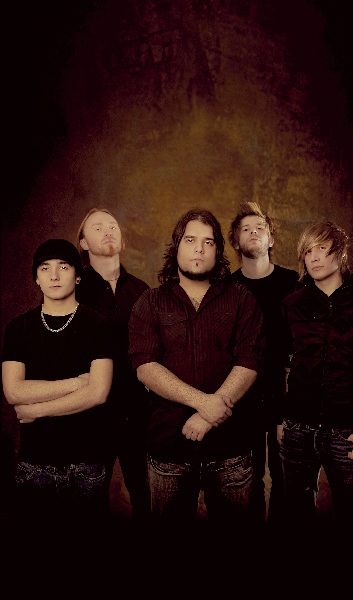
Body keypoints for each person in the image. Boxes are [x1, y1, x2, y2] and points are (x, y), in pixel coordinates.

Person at [128, 208, 266, 562]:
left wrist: (208, 414)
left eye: (209, 242)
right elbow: (145, 367)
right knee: (168, 552)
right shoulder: (149, 303)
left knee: (238, 551)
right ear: (176, 246)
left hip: (231, 450)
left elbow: (250, 360)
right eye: (191, 240)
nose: (199, 249)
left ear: (218, 250)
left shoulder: (241, 299)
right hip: (169, 452)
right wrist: (204, 403)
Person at [278, 219, 353, 551]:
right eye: (307, 251)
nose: (314, 257)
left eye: (322, 248)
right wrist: (280, 419)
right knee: (296, 525)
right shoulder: (291, 305)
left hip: (348, 434)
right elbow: (278, 365)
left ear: (340, 252)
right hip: (297, 431)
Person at [1, 239, 114, 560]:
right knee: (35, 559)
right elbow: (14, 391)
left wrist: (34, 410)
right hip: (34, 464)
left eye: (63, 267)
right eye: (45, 268)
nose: (54, 275)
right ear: (36, 278)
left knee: (86, 556)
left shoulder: (99, 326)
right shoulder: (18, 328)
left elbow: (99, 393)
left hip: (87, 463)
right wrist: (75, 383)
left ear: (77, 276)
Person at [75, 208, 150, 530]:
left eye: (112, 226)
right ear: (83, 242)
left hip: (137, 412)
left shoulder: (142, 291)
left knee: (145, 495)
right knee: (91, 498)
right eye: (97, 227)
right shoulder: (73, 290)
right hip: (90, 414)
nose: (108, 231)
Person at [228, 201, 298, 530]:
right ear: (236, 242)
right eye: (246, 229)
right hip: (244, 397)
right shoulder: (228, 287)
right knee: (248, 478)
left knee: (286, 476)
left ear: (271, 239)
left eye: (260, 228)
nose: (254, 232)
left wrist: (290, 406)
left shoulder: (292, 282)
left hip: (286, 394)